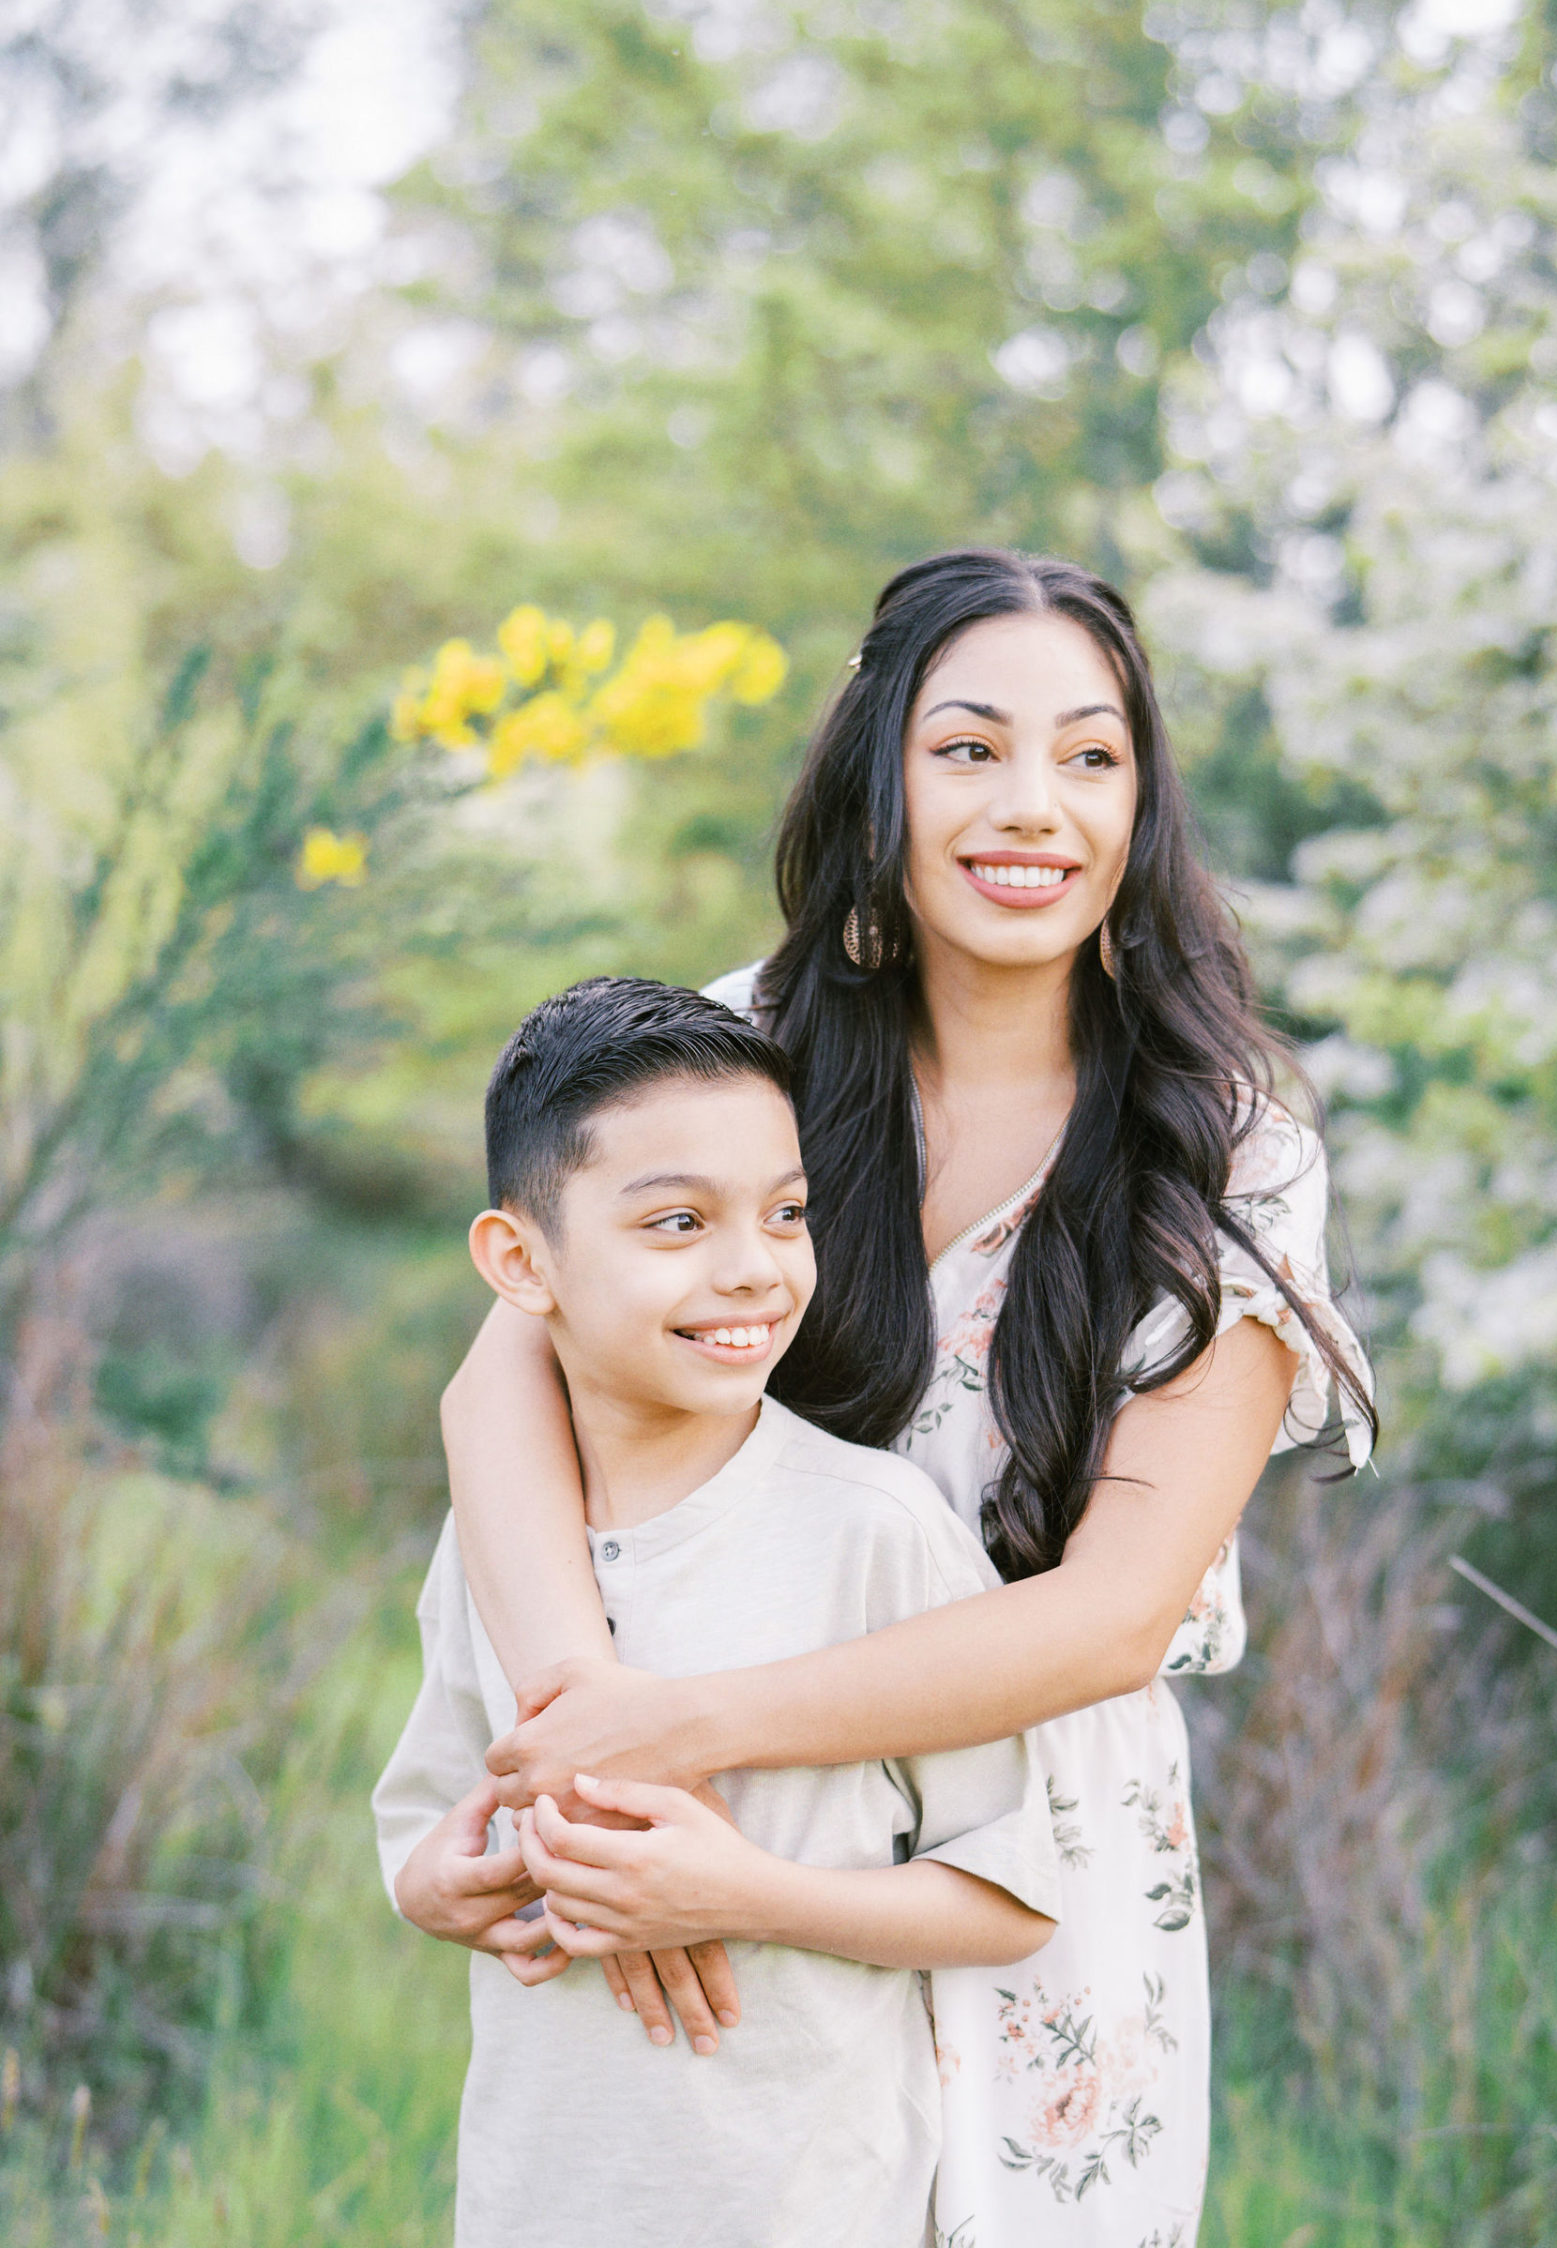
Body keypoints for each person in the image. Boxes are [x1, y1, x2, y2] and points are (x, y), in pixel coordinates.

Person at [441, 549, 1376, 2245]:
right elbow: (499, 1375)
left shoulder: (1229, 1150)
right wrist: (592, 1732)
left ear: (1142, 800)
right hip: (725, 1836)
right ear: (880, 768)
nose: (1033, 807)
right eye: (969, 747)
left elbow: (1108, 1617)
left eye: (1090, 757)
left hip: (1039, 1875)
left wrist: (683, 1728)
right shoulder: (744, 1047)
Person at [374, 976, 1059, 2248]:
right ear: (522, 1262)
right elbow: (426, 1830)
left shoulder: (875, 1528)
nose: (751, 1268)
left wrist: (741, 1893)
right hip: (544, 2197)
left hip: (806, 2202)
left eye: (785, 1213)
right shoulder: (497, 1533)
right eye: (678, 1222)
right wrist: (445, 1885)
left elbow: (1006, 1900)